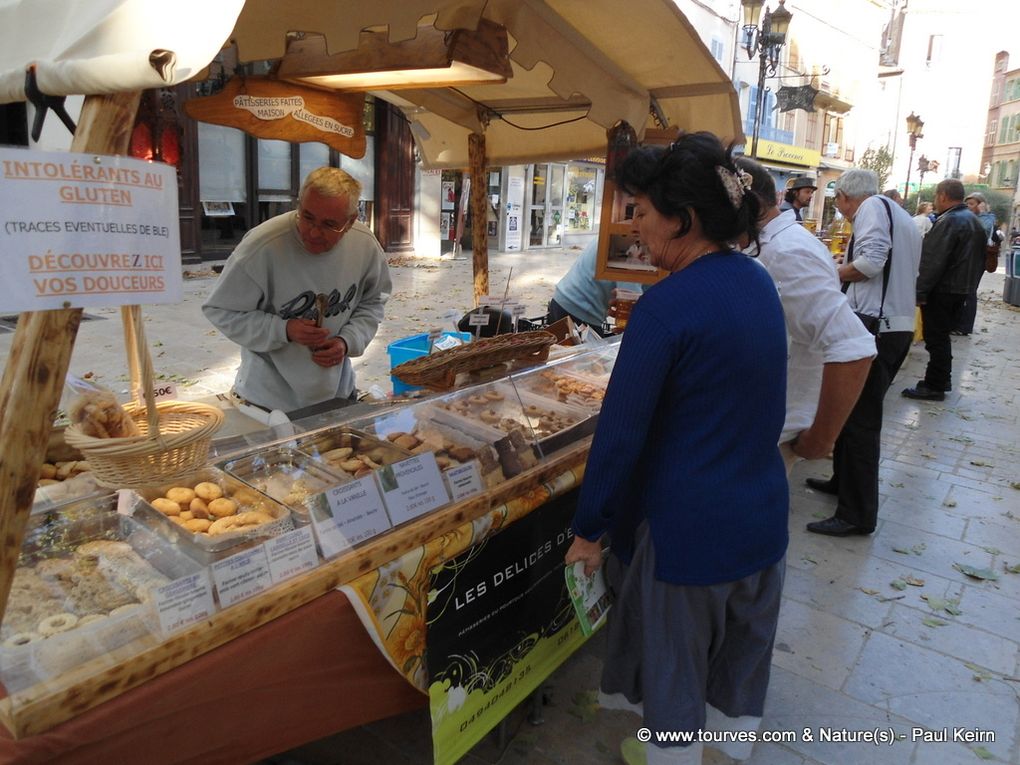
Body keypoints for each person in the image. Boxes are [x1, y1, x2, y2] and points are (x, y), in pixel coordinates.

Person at [565, 133, 789, 765]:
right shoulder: (756, 283)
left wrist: (588, 529)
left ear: (683, 220)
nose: (632, 224)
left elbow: (620, 431)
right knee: (733, 680)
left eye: (640, 210)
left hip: (687, 536)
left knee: (673, 698)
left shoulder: (665, 307)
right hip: (761, 522)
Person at [203, 167, 391, 413]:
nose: (313, 232)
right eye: (307, 217)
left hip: (338, 394)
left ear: (350, 221)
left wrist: (347, 341)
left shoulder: (364, 244)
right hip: (267, 401)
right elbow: (221, 310)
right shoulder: (263, 246)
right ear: (299, 205)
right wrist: (284, 329)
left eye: (329, 225)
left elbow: (373, 301)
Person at [736, 158, 875, 475]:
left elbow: (851, 345)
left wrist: (820, 440)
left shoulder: (787, 251)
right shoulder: (775, 243)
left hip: (772, 435)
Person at [805, 170, 921, 537]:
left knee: (860, 421)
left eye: (838, 202)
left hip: (877, 325)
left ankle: (857, 514)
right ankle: (842, 481)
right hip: (894, 324)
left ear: (844, 197)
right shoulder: (899, 212)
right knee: (853, 412)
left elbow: (871, 263)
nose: (840, 210)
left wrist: (832, 273)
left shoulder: (871, 205)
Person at [902, 180, 987, 400]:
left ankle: (936, 384)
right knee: (941, 337)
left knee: (936, 337)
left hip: (944, 290)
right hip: (961, 289)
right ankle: (938, 380)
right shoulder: (973, 221)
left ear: (942, 196)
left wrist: (919, 293)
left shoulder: (950, 221)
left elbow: (932, 261)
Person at [547, 239, 643, 336]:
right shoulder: (633, 248)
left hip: (562, 299)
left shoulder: (609, 233)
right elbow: (631, 298)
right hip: (581, 311)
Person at [952, 191, 999, 335]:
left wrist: (983, 212)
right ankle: (957, 323)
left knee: (970, 291)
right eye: (967, 203)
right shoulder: (969, 217)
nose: (968, 206)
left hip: (978, 259)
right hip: (966, 258)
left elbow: (982, 230)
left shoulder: (987, 219)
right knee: (962, 290)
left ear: (980, 205)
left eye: (972, 204)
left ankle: (965, 327)